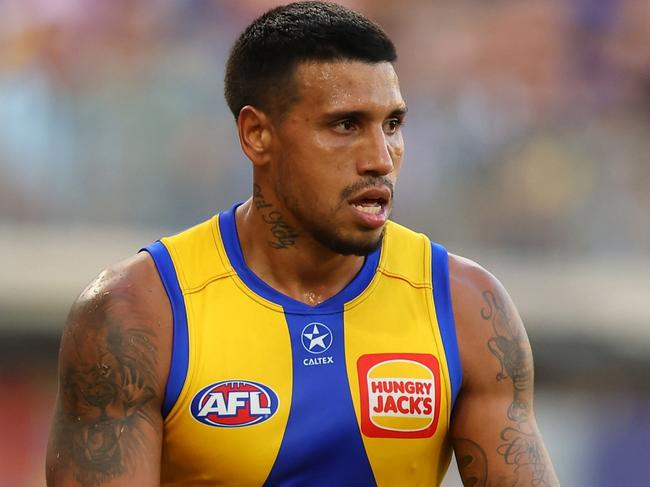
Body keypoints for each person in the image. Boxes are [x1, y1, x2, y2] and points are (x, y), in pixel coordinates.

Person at [46, 2, 560, 486]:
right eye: (345, 124)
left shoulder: (466, 306)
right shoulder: (138, 311)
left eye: (393, 124)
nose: (381, 157)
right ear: (257, 135)